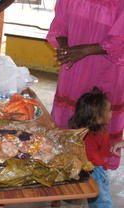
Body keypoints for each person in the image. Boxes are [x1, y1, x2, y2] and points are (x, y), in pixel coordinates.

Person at [46, 0, 124, 169]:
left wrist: (84, 51)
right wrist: (65, 48)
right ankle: (65, 167)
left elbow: (120, 40)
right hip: (74, 67)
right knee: (69, 128)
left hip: (106, 69)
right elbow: (60, 24)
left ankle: (95, 172)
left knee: (96, 122)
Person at [69, 87, 124, 208]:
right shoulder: (94, 134)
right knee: (103, 197)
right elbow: (92, 156)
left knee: (99, 195)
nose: (112, 112)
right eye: (109, 110)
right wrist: (103, 164)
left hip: (88, 166)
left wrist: (111, 148)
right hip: (95, 170)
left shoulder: (87, 129)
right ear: (98, 118)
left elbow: (100, 149)